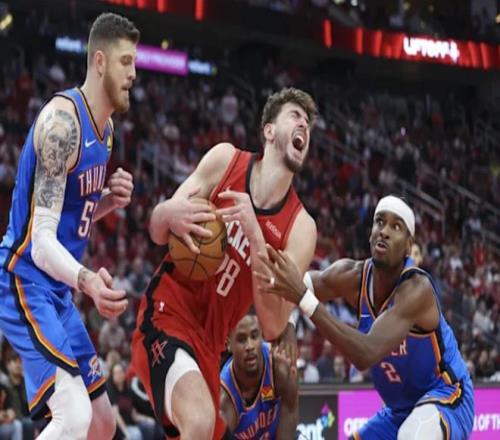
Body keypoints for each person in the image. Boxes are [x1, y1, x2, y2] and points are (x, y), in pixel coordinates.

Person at [131, 87, 318, 439]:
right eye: (295, 116)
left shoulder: (301, 228)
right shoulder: (225, 161)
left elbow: (273, 324)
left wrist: (255, 237)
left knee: (203, 426)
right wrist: (168, 212)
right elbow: (157, 229)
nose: (304, 126)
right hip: (167, 311)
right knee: (199, 419)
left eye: (308, 123)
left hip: (212, 347)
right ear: (269, 130)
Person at [0, 13, 139, 440]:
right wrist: (88, 281)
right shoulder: (62, 125)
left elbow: (70, 215)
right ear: (99, 62)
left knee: (102, 422)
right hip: (23, 279)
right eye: (126, 62)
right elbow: (41, 241)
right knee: (74, 415)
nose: (133, 74)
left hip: (57, 291)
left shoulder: (107, 131)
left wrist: (107, 201)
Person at [257, 195, 474, 439]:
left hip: (448, 396)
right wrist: (289, 323)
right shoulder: (352, 275)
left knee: (413, 434)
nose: (384, 231)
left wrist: (302, 299)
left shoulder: (417, 289)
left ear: (408, 246)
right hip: (398, 411)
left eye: (396, 226)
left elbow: (365, 353)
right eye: (379, 222)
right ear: (370, 234)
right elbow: (298, 284)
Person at [220, 314, 298, 440]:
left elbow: (290, 414)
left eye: (254, 336)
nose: (250, 346)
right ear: (228, 343)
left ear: (262, 335)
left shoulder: (279, 368)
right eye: (241, 340)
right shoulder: (225, 399)